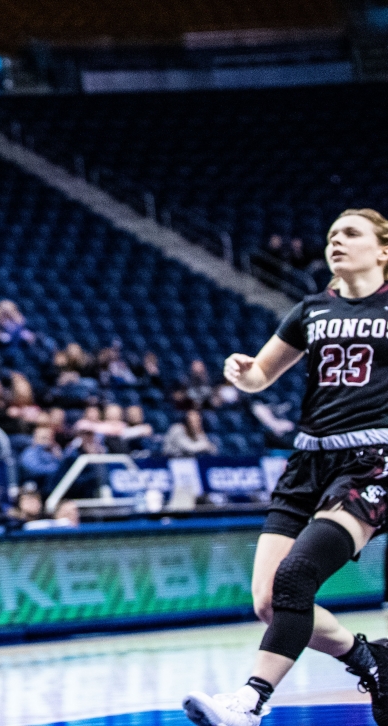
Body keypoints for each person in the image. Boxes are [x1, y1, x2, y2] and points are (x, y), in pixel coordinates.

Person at [182, 209, 388, 726]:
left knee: (297, 576)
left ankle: (250, 700)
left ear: (383, 250)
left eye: (351, 234)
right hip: (307, 461)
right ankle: (373, 661)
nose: (336, 241)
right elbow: (259, 378)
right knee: (269, 600)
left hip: (369, 461)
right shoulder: (311, 308)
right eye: (331, 234)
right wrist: (244, 372)